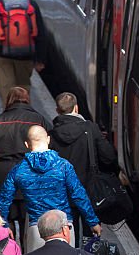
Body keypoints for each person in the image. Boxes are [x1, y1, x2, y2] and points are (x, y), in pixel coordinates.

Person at [0, 126, 101, 252]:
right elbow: (79, 194)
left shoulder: (19, 170)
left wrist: (4, 225)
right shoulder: (63, 166)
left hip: (36, 228)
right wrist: (93, 221)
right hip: (64, 227)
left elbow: (4, 199)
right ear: (48, 140)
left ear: (26, 144)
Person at [0, 87, 50, 238]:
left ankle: (9, 254)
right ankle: (27, 253)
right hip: (31, 172)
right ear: (27, 100)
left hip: (3, 173)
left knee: (4, 218)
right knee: (28, 220)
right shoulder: (39, 120)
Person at [49, 92, 118, 238]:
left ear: (57, 111)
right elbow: (108, 157)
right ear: (76, 108)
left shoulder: (52, 134)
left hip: (63, 194)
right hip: (89, 191)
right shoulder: (90, 128)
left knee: (68, 234)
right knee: (90, 237)